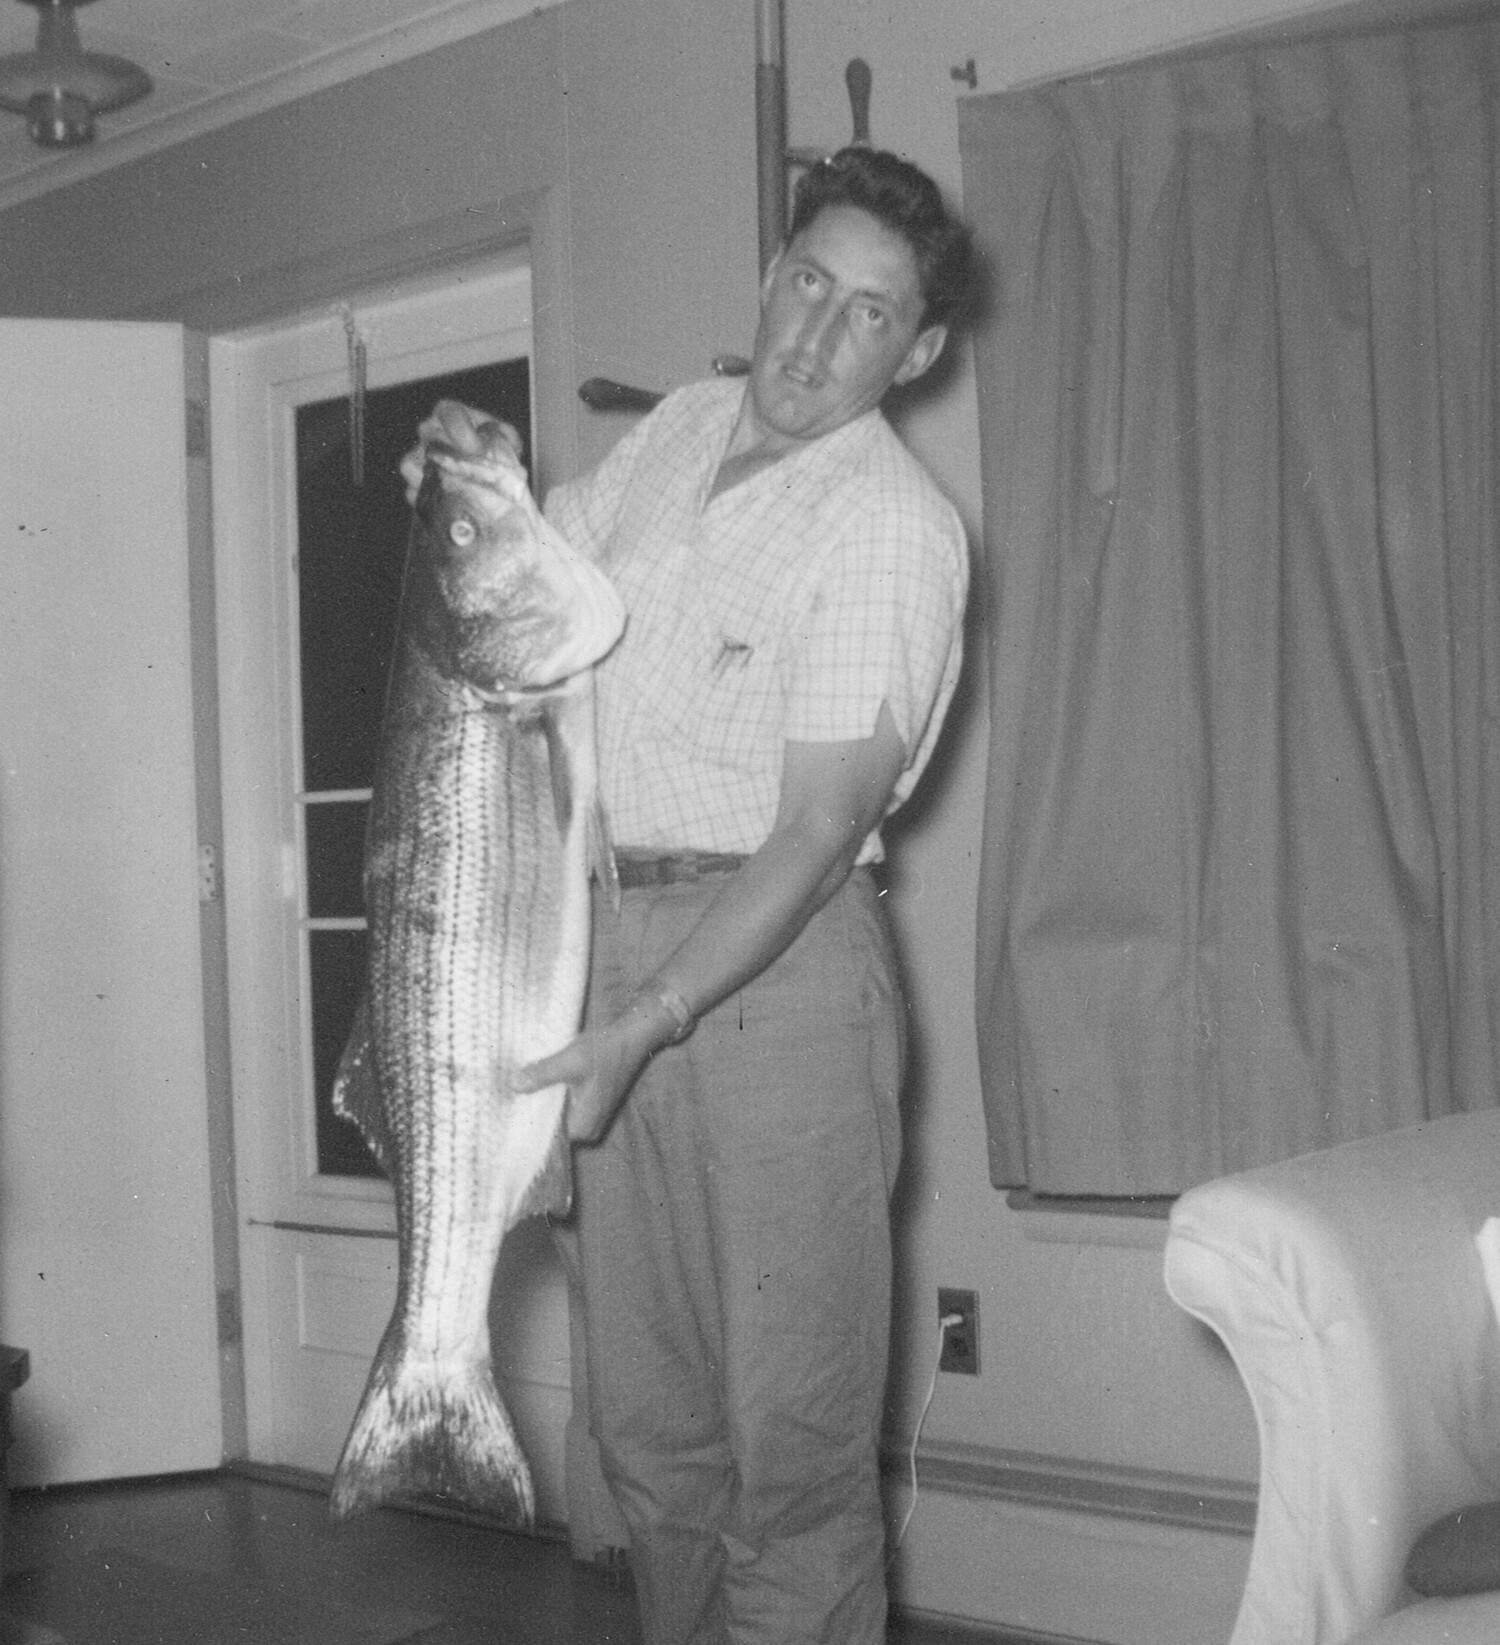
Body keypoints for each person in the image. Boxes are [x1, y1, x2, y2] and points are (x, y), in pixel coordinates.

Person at [411, 145, 977, 1645]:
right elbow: (527, 584)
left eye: (867, 313)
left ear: (913, 351)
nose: (812, 336)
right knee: (652, 1436)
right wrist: (469, 471)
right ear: (769, 272)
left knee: (787, 1456)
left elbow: (815, 829)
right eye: (807, 282)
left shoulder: (895, 527)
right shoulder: (676, 430)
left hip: (772, 975)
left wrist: (651, 1015)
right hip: (599, 942)